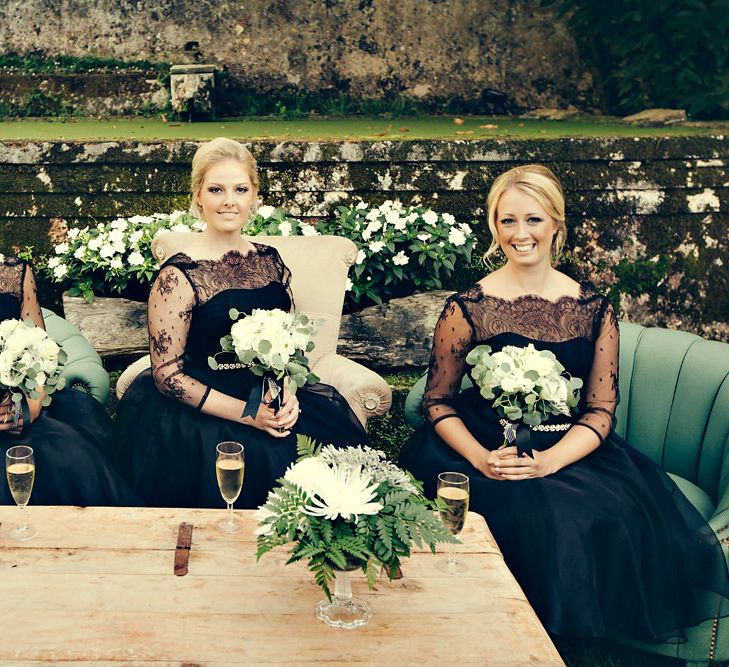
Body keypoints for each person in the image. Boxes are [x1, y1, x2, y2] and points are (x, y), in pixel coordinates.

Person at [399, 164, 729, 642]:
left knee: (579, 514)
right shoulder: (466, 306)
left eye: (533, 219)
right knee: (510, 506)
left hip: (566, 447)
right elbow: (437, 402)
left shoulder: (594, 310)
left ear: (556, 224)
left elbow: (598, 412)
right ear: (494, 226)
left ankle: (552, 635)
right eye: (507, 220)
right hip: (481, 446)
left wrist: (550, 461)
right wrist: (481, 458)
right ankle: (481, 622)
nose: (520, 233)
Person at [113, 138, 367, 508]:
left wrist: (289, 397)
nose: (229, 200)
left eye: (240, 189)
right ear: (199, 196)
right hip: (201, 412)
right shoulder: (177, 275)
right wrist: (250, 416)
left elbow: (290, 346)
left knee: (327, 490)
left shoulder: (270, 261)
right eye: (216, 189)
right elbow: (168, 376)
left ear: (254, 196)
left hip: (268, 396)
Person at [0, 255, 139, 506]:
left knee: (71, 455)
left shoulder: (15, 272)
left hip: (16, 407)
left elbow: (39, 352)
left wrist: (29, 410)